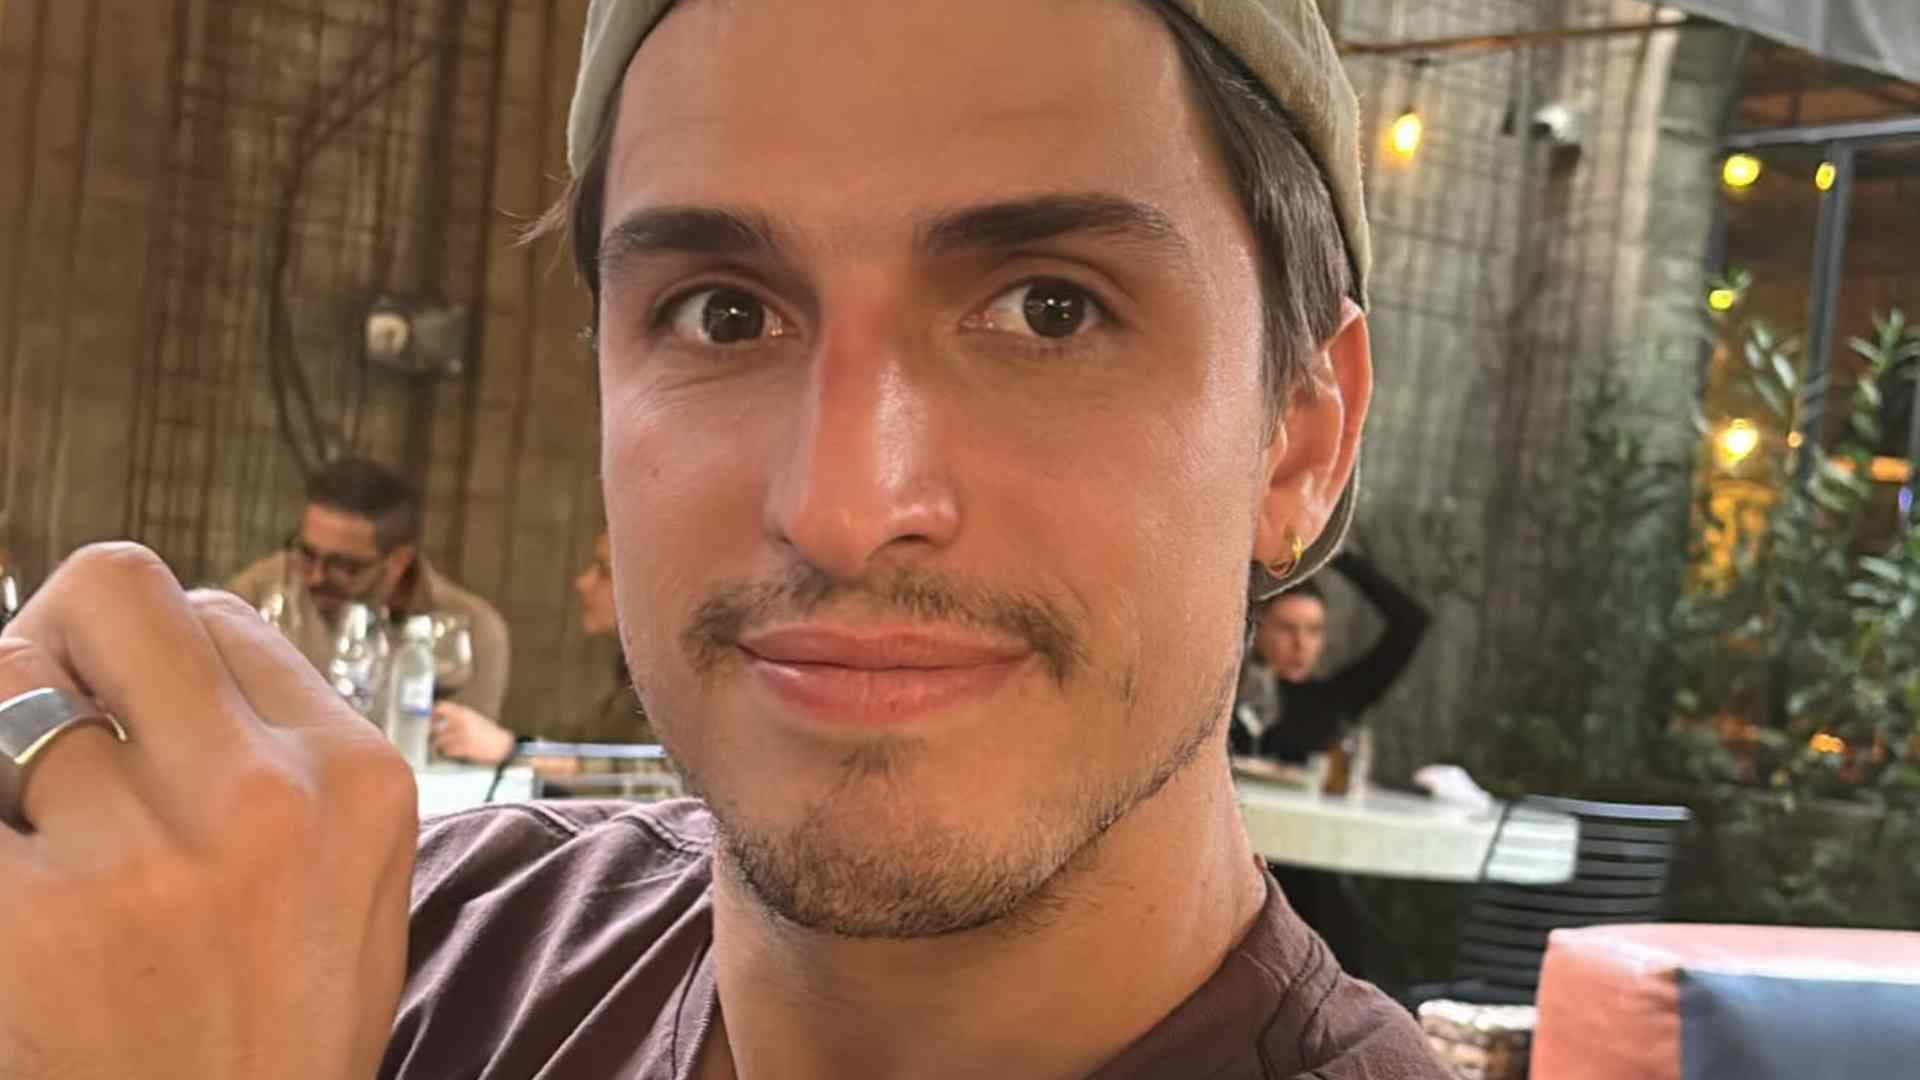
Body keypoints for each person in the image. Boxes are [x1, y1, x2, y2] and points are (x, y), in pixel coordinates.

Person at [0, 2, 1452, 1077]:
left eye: (1049, 310)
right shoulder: (386, 967)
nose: (841, 507)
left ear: (1303, 437)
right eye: (725, 314)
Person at [225, 456, 512, 718]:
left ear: (399, 561)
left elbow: (463, 747)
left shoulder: (473, 629)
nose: (315, 577)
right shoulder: (259, 591)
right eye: (307, 553)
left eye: (344, 566)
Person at [431, 530, 658, 769]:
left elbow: (655, 779)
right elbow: (585, 752)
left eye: (604, 572)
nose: (582, 582)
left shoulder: (666, 679)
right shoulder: (631, 666)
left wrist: (508, 750)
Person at [1231, 549, 1432, 763]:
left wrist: (1335, 555)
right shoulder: (1235, 692)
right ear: (1258, 628)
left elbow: (1411, 622)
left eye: (1313, 630)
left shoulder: (1338, 699)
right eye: (1287, 628)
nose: (1300, 644)